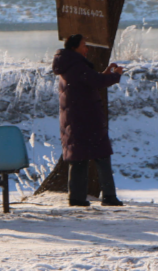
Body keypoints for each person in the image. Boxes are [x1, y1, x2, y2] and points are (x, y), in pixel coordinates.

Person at [52, 34, 125, 206]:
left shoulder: (69, 65)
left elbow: (90, 81)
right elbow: (96, 81)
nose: (87, 48)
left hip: (75, 120)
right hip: (87, 119)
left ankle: (76, 197)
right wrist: (115, 75)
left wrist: (104, 74)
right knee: (102, 156)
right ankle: (109, 196)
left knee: (78, 159)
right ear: (74, 47)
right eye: (84, 45)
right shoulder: (77, 65)